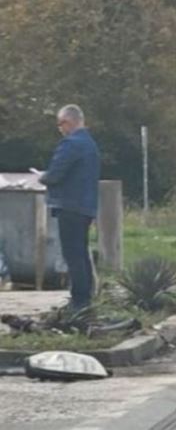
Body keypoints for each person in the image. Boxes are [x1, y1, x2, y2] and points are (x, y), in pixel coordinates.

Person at [35, 105, 100, 312]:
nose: (60, 129)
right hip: (85, 206)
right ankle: (86, 296)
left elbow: (56, 174)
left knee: (73, 254)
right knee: (81, 253)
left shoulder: (71, 144)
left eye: (60, 124)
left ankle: (78, 300)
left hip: (69, 205)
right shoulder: (90, 144)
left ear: (68, 122)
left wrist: (42, 177)